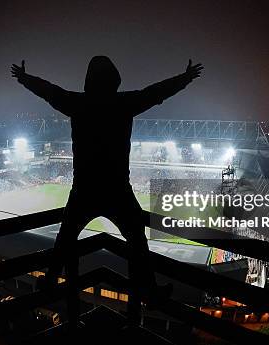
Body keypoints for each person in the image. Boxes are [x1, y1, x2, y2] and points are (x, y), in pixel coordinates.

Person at [11, 55, 203, 327]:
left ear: (88, 80)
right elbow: (157, 92)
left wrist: (25, 78)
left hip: (85, 189)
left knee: (65, 239)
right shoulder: (124, 102)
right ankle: (150, 289)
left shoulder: (77, 103)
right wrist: (183, 79)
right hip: (117, 189)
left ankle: (50, 281)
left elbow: (48, 91)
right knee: (137, 241)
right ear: (115, 80)